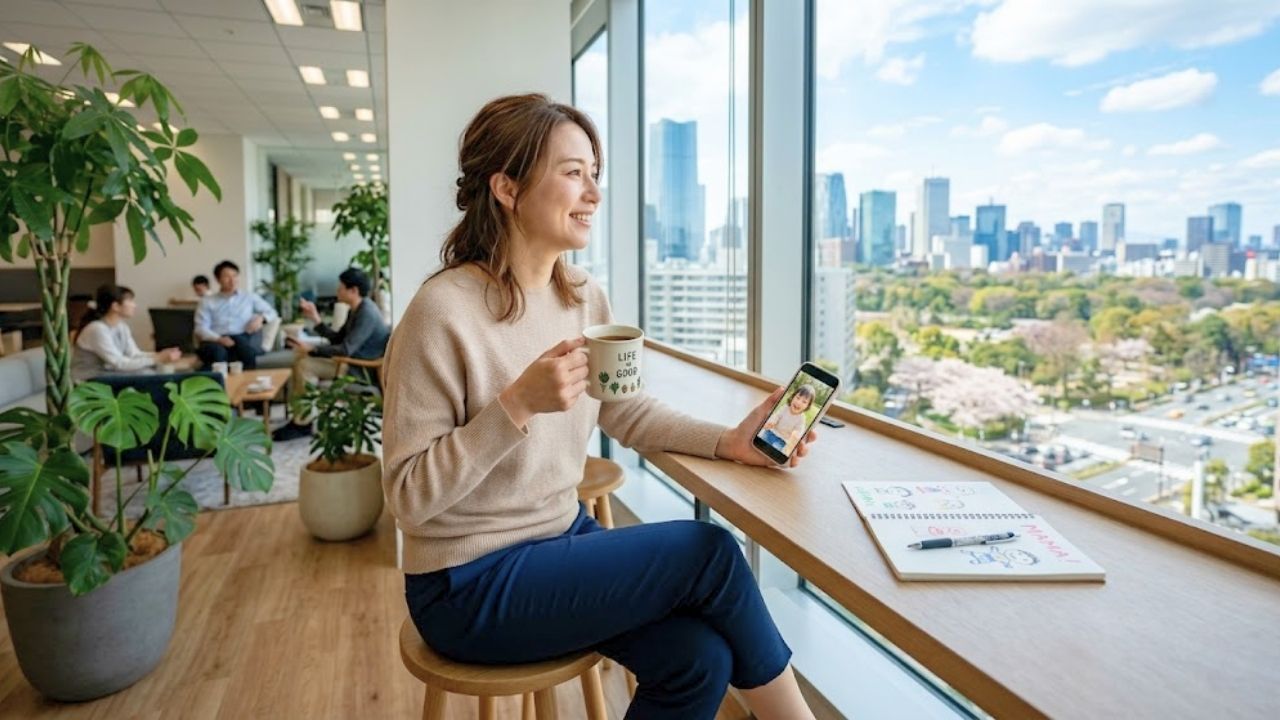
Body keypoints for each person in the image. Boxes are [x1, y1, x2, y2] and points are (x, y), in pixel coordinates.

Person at [383, 94, 818, 720]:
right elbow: (406, 497)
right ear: (506, 187)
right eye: (573, 172)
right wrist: (516, 406)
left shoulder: (583, 296)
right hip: (465, 583)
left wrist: (730, 440)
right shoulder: (441, 313)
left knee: (699, 661)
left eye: (595, 174)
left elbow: (626, 411)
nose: (593, 192)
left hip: (559, 538)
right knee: (709, 552)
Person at [272, 267, 390, 441]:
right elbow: (337, 339)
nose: (337, 291)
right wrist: (315, 318)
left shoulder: (367, 313)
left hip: (359, 370)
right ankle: (301, 417)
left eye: (340, 287)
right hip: (348, 362)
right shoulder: (356, 309)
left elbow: (345, 349)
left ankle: (302, 422)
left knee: (305, 365)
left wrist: (312, 349)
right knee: (301, 359)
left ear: (353, 290)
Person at [73, 284, 182, 380]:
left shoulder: (121, 327)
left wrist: (161, 354)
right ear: (115, 306)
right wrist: (157, 358)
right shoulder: (97, 329)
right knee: (147, 375)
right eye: (130, 301)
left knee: (154, 372)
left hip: (107, 373)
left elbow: (134, 354)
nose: (134, 305)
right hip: (90, 377)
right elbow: (119, 363)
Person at [194, 260, 277, 370]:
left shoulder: (249, 297)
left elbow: (272, 312)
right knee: (218, 353)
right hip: (214, 339)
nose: (232, 280)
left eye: (235, 276)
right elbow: (200, 328)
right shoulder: (207, 301)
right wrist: (219, 339)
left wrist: (261, 318)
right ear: (218, 279)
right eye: (227, 277)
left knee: (246, 352)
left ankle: (248, 383)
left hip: (240, 337)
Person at [760, 384, 815, 456]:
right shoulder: (785, 408)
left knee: (774, 452)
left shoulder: (801, 418)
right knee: (761, 443)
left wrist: (795, 435)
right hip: (771, 432)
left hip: (782, 440)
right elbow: (777, 416)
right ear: (793, 397)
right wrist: (772, 422)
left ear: (807, 406)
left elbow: (799, 430)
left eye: (804, 402)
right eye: (798, 398)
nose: (798, 402)